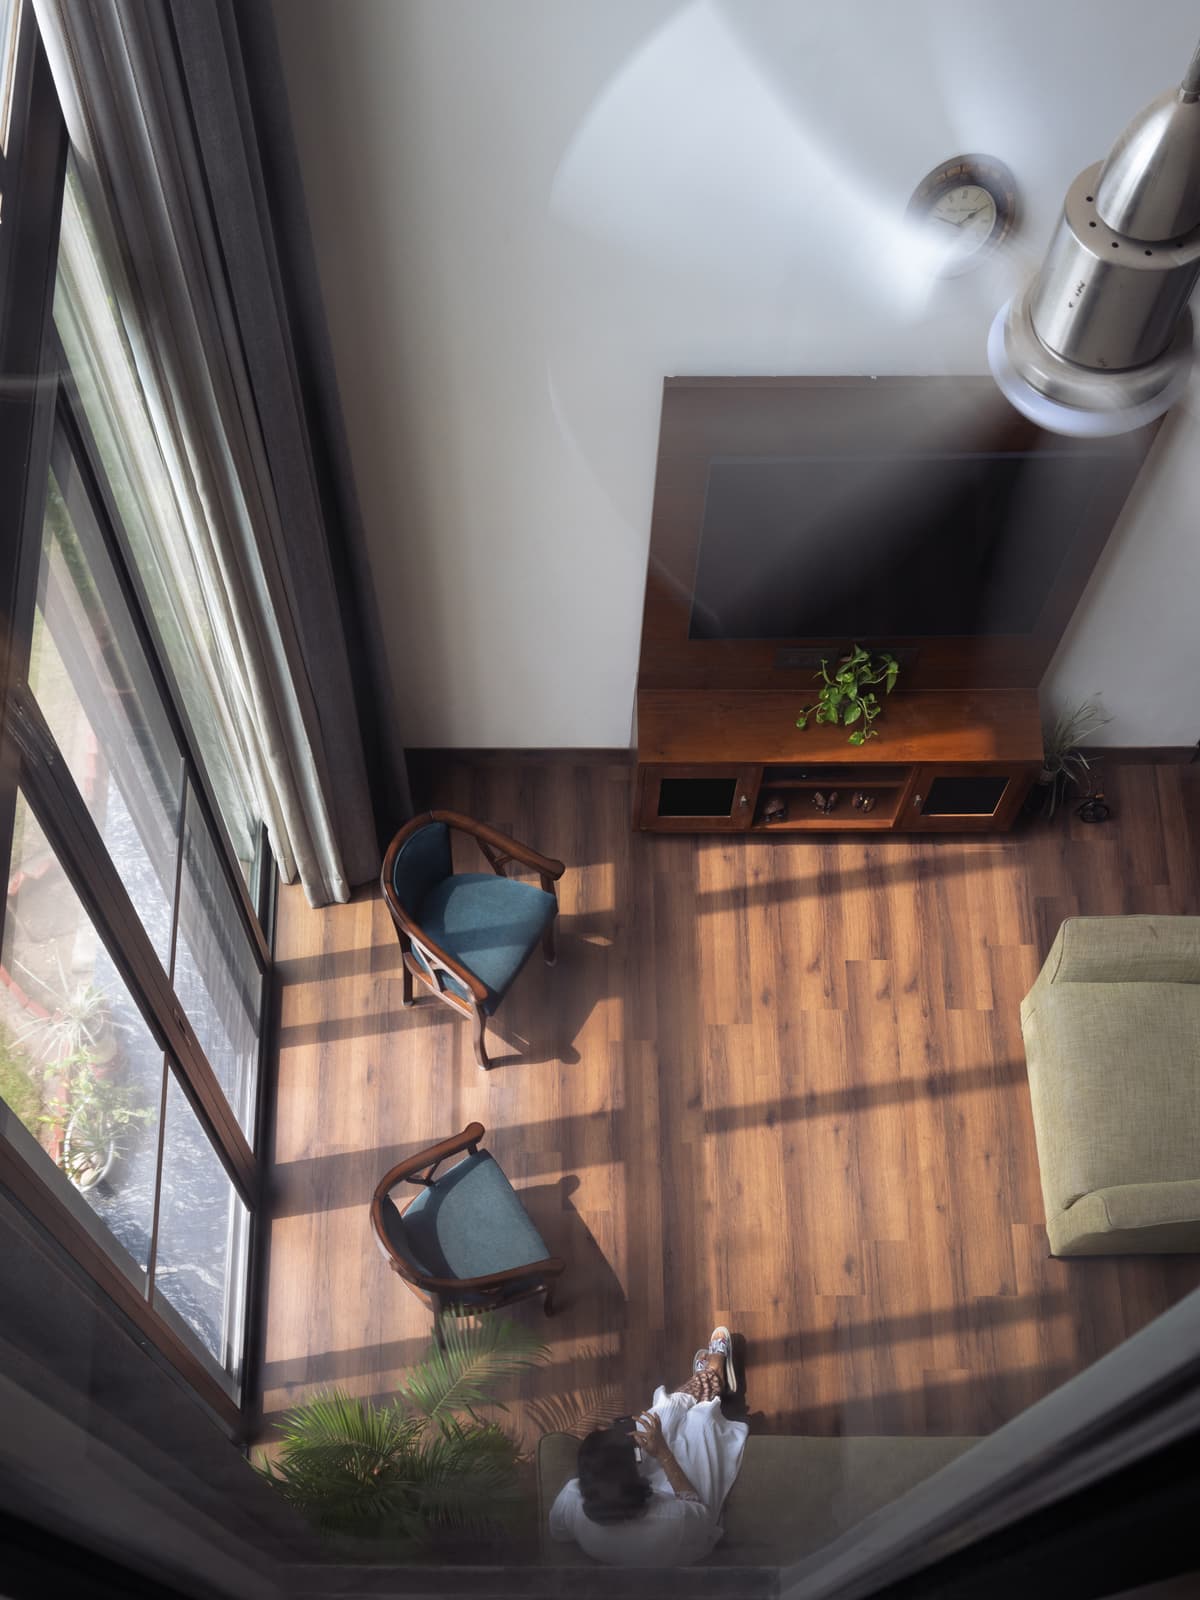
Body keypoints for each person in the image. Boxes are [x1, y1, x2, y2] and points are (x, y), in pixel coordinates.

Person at [548, 1327, 749, 1567]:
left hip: (625, 1496)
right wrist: (663, 1454)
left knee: (661, 1418)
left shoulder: (572, 1498)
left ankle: (705, 1382)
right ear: (635, 1472)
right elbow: (700, 1515)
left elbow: (558, 1531)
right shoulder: (674, 1519)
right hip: (690, 1523)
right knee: (700, 1425)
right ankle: (712, 1379)